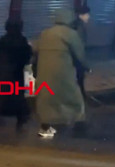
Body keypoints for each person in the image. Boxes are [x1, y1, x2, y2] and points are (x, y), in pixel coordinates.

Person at [33, 8, 88, 139]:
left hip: (45, 71)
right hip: (63, 71)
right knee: (72, 95)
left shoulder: (45, 33)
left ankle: (46, 124)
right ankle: (78, 121)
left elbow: (36, 51)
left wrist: (35, 70)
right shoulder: (71, 34)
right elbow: (79, 54)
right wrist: (86, 67)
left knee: (46, 98)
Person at [0, 19, 33, 129]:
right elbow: (26, 56)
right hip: (16, 73)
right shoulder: (22, 41)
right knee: (18, 97)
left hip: (3, 72)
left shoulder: (3, 40)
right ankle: (20, 120)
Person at [73, 5, 91, 99]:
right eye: (87, 14)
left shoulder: (75, 24)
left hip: (74, 58)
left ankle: (81, 95)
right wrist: (86, 65)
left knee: (78, 79)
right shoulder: (79, 27)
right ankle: (81, 97)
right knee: (80, 78)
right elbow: (79, 47)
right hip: (77, 59)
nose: (89, 16)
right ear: (81, 15)